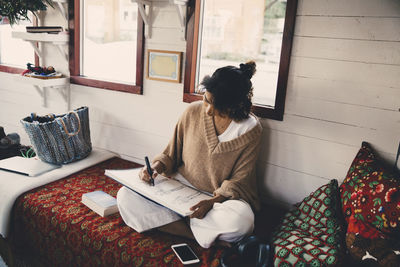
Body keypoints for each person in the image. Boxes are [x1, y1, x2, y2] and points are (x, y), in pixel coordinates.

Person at [117, 61, 263, 248]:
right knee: (126, 196)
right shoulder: (193, 111)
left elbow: (241, 180)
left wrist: (211, 202)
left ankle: (171, 221)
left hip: (220, 199)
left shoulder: (251, 129)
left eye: (216, 105)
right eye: (206, 100)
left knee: (241, 223)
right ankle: (196, 235)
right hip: (180, 187)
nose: (208, 110)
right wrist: (154, 167)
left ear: (234, 105)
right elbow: (170, 153)